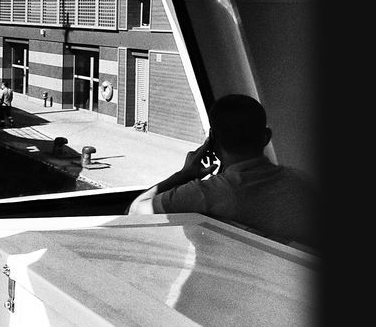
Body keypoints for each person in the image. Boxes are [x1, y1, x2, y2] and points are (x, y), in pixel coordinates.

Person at [128, 94, 316, 249]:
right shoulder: (304, 184)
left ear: (213, 140)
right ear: (266, 137)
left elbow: (134, 212)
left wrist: (185, 174)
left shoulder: (206, 194)